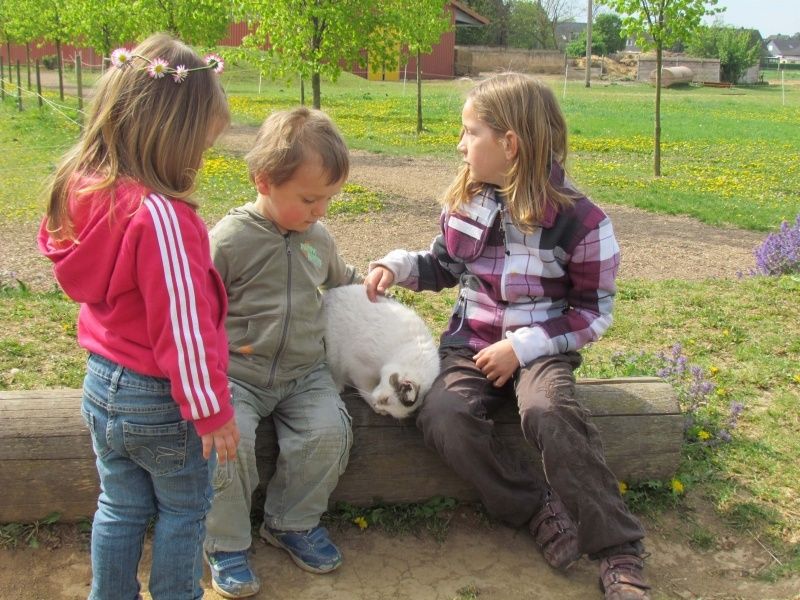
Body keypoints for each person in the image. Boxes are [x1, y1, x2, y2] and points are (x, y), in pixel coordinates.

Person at [364, 73, 651, 600]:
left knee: (547, 411)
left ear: (509, 143)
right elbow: (443, 267)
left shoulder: (583, 224)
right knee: (443, 415)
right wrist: (396, 266)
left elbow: (592, 314)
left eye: (470, 132)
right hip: (469, 344)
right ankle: (534, 508)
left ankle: (617, 547)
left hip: (540, 348)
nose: (460, 144)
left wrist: (521, 348)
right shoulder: (466, 203)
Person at [37, 33, 240, 600]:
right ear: (171, 137)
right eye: (200, 144)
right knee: (184, 510)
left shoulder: (84, 191)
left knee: (119, 506)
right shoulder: (162, 218)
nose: (200, 159)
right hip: (161, 400)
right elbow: (184, 327)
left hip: (102, 385)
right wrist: (212, 410)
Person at [203, 107, 359, 598]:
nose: (320, 211)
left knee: (329, 431)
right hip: (238, 371)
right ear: (264, 180)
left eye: (328, 199)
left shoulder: (317, 237)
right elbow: (196, 307)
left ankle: (291, 521)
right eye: (310, 199)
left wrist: (373, 286)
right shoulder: (229, 239)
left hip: (304, 371)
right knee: (229, 445)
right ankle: (224, 541)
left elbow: (341, 280)